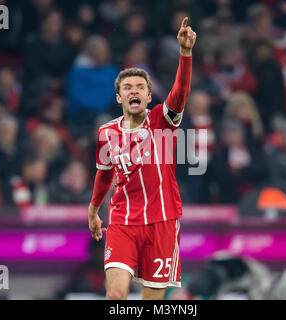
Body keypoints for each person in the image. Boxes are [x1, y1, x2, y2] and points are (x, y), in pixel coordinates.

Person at [87, 17, 196, 300]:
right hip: (122, 221)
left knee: (152, 301)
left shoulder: (162, 120)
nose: (133, 90)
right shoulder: (106, 132)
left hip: (162, 221)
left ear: (149, 97)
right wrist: (93, 207)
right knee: (115, 295)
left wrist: (185, 53)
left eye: (139, 87)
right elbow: (104, 174)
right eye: (127, 87)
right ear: (119, 96)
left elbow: (181, 93)